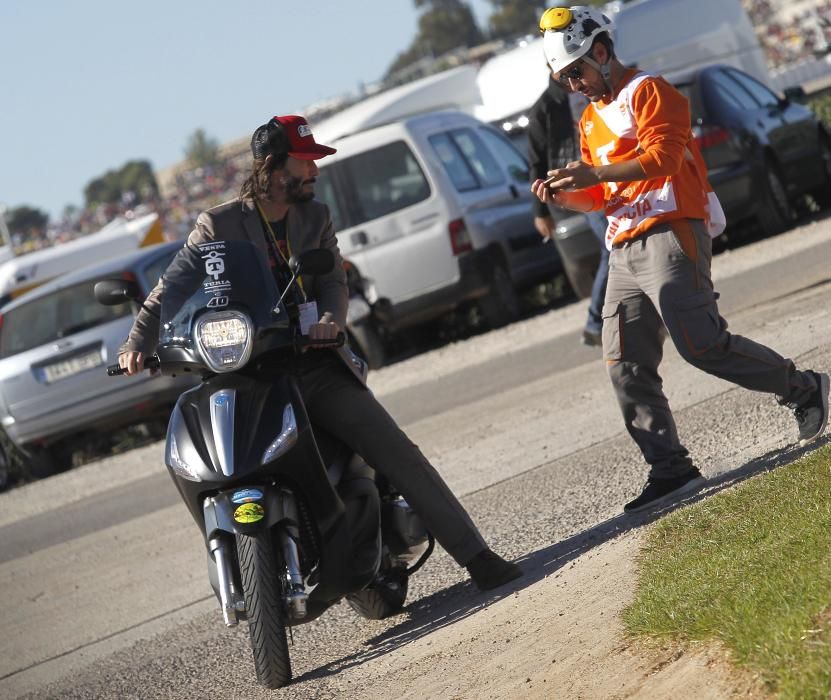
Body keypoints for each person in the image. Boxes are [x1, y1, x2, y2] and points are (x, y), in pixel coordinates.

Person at [118, 115, 522, 591]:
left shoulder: (315, 216)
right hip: (245, 372)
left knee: (394, 449)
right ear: (271, 167)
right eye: (305, 161)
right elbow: (171, 287)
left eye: (315, 161)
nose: (315, 170)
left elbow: (332, 280)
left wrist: (332, 320)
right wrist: (137, 342)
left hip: (311, 362)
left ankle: (477, 557)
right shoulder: (218, 224)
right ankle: (247, 560)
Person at [532, 6, 830, 513]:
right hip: (623, 244)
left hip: (673, 228)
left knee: (702, 345)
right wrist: (565, 195)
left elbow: (663, 159)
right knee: (623, 361)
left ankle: (804, 389)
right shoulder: (588, 119)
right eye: (564, 80)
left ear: (601, 52)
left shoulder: (651, 91)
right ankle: (670, 467)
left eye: (576, 71)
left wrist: (594, 174)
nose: (575, 85)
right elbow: (600, 200)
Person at [527, 63, 609, 347]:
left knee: (622, 244)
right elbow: (536, 161)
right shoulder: (544, 109)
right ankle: (595, 322)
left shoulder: (593, 87)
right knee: (616, 244)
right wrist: (541, 212)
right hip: (579, 187)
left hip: (608, 175)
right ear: (550, 68)